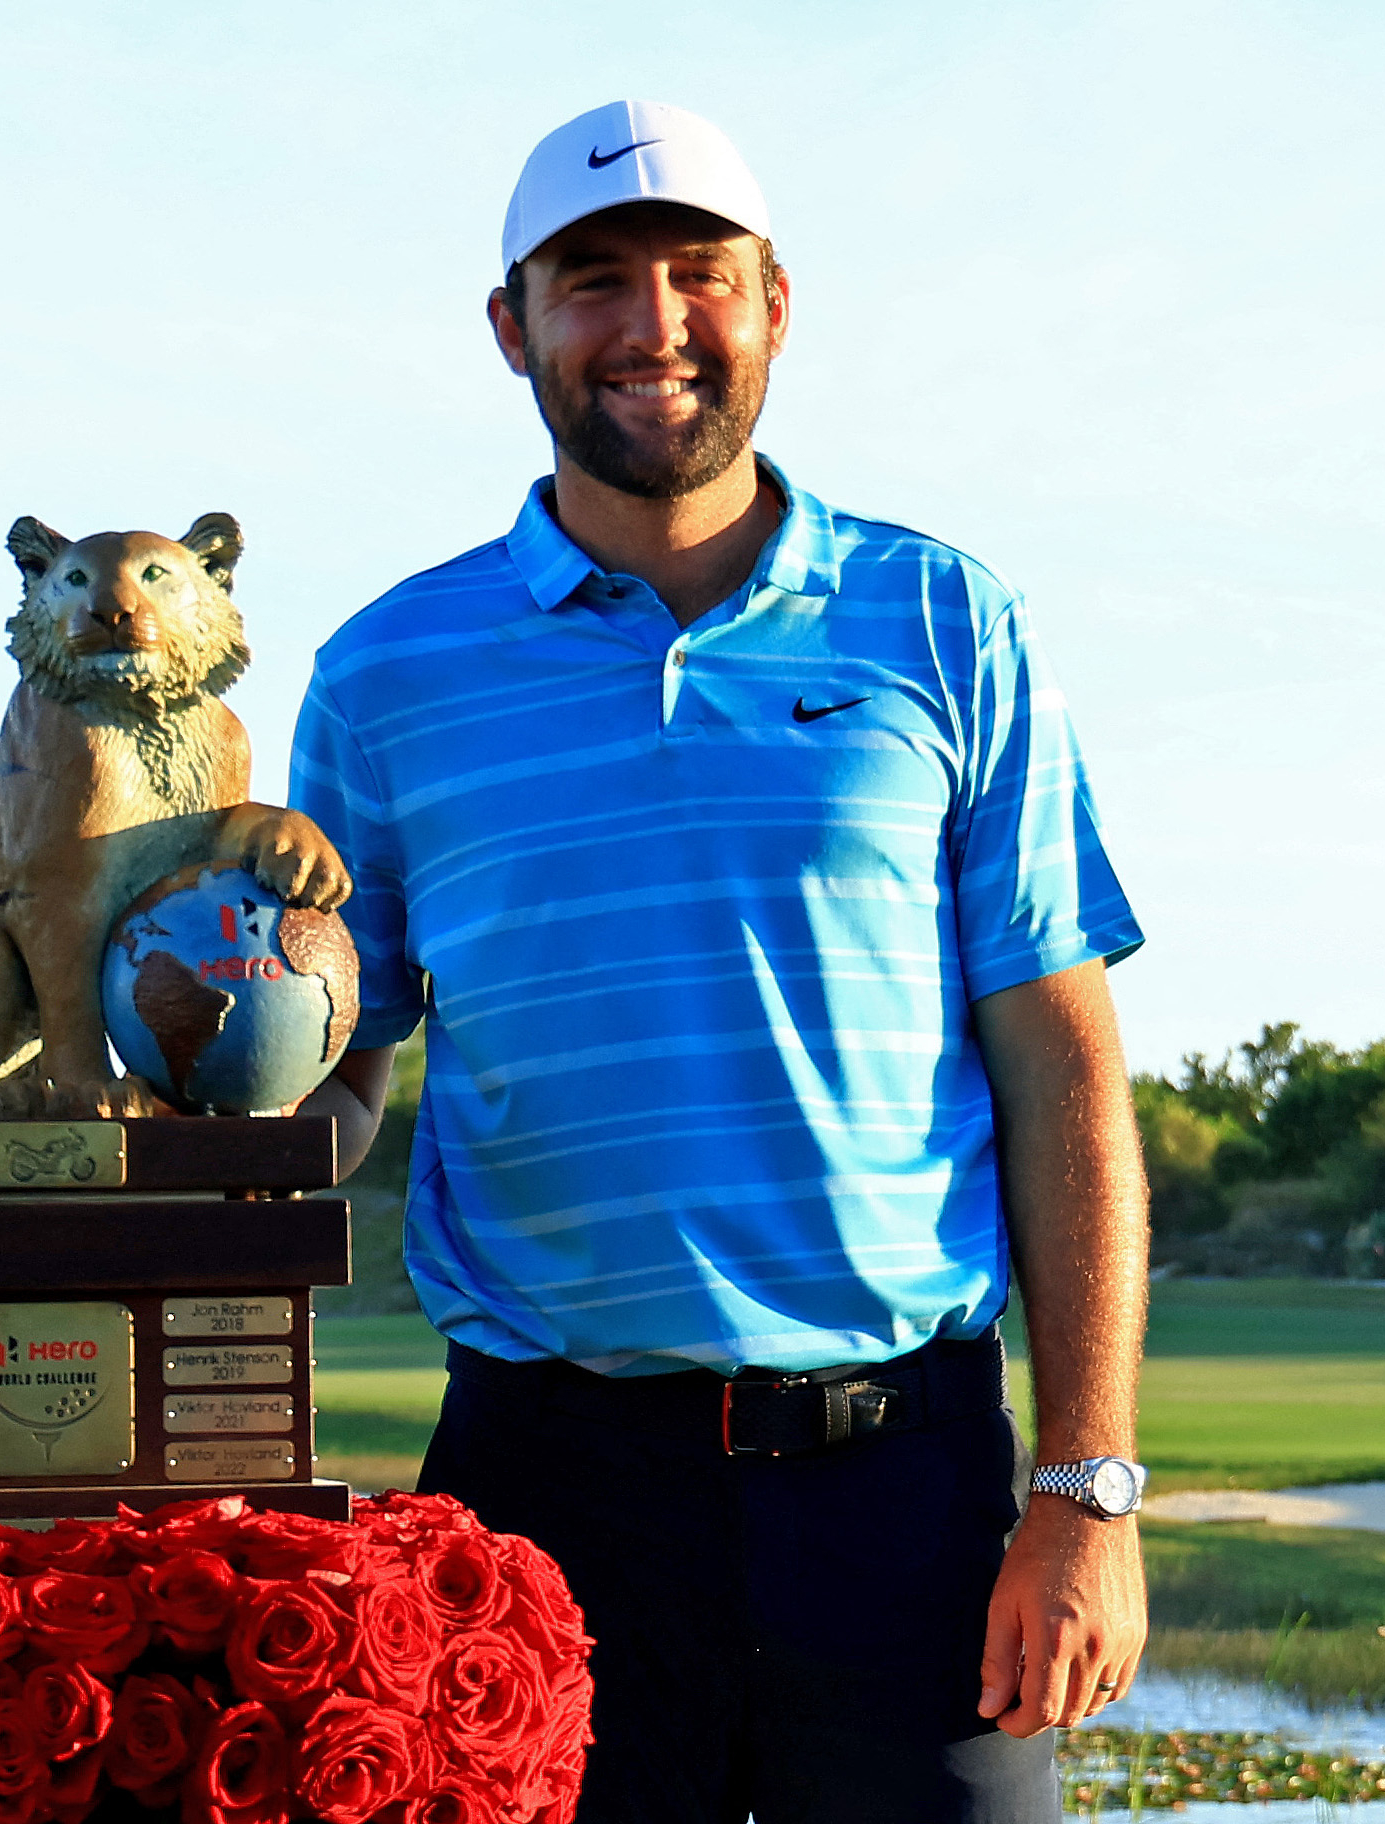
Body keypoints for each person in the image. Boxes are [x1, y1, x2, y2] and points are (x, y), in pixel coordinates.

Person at [290, 98, 1152, 1823]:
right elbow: (328, 1075)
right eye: (593, 280)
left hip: (901, 1490)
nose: (651, 325)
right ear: (510, 325)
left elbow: (1060, 1062)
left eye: (699, 274)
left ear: (773, 302)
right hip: (543, 1499)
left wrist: (1087, 1490)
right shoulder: (385, 674)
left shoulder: (941, 620)